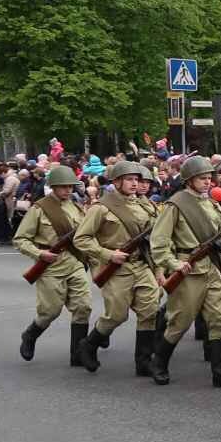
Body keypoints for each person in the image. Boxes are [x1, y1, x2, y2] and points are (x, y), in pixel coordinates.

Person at [150, 156, 221, 387]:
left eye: (209, 178)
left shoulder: (211, 203)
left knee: (218, 319)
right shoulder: (175, 205)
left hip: (211, 268)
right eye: (202, 179)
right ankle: (159, 362)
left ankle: (220, 372)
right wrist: (172, 264)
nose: (208, 182)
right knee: (180, 321)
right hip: (188, 270)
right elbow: (159, 240)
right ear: (189, 180)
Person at [71, 160, 161, 377]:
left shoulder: (143, 205)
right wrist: (108, 254)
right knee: (117, 315)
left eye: (136, 179)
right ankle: (89, 345)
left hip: (142, 265)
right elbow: (81, 239)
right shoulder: (101, 207)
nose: (134, 183)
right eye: (129, 179)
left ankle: (144, 361)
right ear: (117, 181)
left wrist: (158, 268)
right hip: (116, 269)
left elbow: (154, 239)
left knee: (150, 312)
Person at [13, 165, 93, 366]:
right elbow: (20, 239)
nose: (68, 190)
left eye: (70, 186)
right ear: (53, 186)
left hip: (74, 263)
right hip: (51, 268)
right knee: (50, 311)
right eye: (63, 187)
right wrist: (40, 254)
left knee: (83, 306)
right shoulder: (39, 208)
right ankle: (30, 336)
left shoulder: (75, 206)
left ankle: (78, 354)